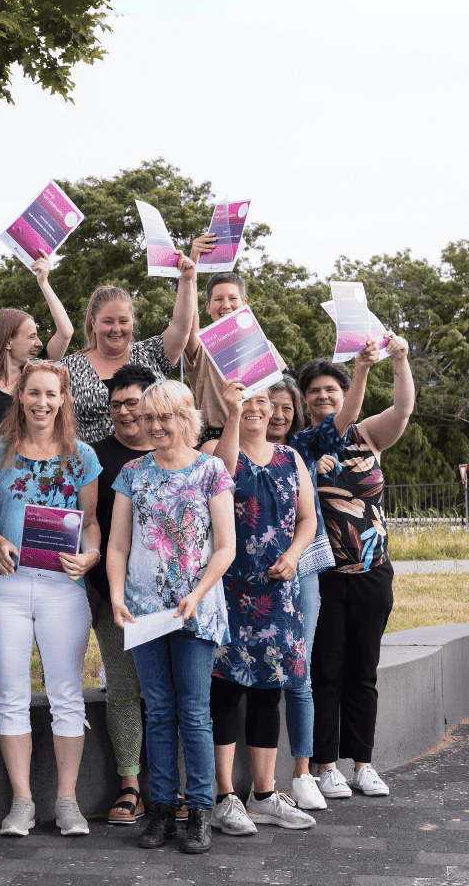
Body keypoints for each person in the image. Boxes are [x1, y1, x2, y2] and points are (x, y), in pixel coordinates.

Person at [106, 379, 236, 855]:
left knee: (194, 712)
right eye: (149, 417)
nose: (157, 425)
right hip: (144, 613)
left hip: (195, 611)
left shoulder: (212, 470)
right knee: (158, 710)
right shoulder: (132, 472)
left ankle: (200, 810)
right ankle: (161, 809)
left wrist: (199, 594)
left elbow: (226, 548)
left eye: (168, 416)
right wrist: (118, 596)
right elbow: (118, 543)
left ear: (188, 418)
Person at [0, 361, 103, 838]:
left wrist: (89, 557)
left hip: (62, 587)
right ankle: (22, 803)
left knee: (67, 695)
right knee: (10, 696)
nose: (42, 403)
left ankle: (67, 802)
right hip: (6, 587)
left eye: (51, 394)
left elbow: (91, 523)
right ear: (20, 398)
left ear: (63, 399)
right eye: (33, 393)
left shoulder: (82, 458)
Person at [291, 334, 413, 799]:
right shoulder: (301, 447)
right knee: (327, 671)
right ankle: (326, 766)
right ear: (304, 401)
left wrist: (398, 360)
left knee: (364, 671)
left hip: (373, 572)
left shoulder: (368, 436)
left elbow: (402, 410)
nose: (324, 396)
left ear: (345, 395)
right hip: (325, 577)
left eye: (331, 390)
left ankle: (364, 763)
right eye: (314, 392)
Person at [202, 380, 319, 834]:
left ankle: (266, 794)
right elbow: (223, 476)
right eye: (245, 401)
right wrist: (233, 415)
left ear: (273, 408)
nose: (254, 408)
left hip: (278, 594)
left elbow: (307, 519)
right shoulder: (217, 447)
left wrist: (293, 555)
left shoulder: (291, 459)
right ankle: (224, 794)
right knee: (225, 692)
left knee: (271, 691)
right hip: (228, 591)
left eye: (260, 402)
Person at [86, 363, 158, 825]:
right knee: (125, 687)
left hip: (170, 596)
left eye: (133, 402)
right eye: (116, 405)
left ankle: (174, 785)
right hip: (111, 593)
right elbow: (93, 526)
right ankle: (130, 785)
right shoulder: (97, 456)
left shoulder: (179, 452)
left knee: (170, 690)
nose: (124, 412)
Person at [265, 374, 338, 811]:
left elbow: (342, 418)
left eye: (286, 407)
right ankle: (261, 779)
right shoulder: (235, 447)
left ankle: (302, 772)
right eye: (269, 404)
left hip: (303, 570)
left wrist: (363, 368)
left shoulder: (304, 448)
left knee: (300, 670)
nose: (276, 414)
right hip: (252, 576)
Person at [61, 252, 198, 444]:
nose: (116, 329)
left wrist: (186, 280)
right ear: (93, 323)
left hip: (152, 465)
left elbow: (181, 327)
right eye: (108, 322)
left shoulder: (151, 353)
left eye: (123, 321)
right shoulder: (68, 367)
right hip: (94, 468)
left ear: (133, 321)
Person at [0, 257, 76, 447]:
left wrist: (44, 283)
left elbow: (66, 332)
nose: (38, 343)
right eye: (31, 336)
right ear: (8, 341)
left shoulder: (37, 373)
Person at [181, 259, 288, 443]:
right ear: (207, 306)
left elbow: (281, 393)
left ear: (244, 303)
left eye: (232, 298)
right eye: (218, 299)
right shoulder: (202, 347)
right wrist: (191, 277)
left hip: (259, 436)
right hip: (218, 437)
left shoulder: (265, 345)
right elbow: (189, 321)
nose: (226, 305)